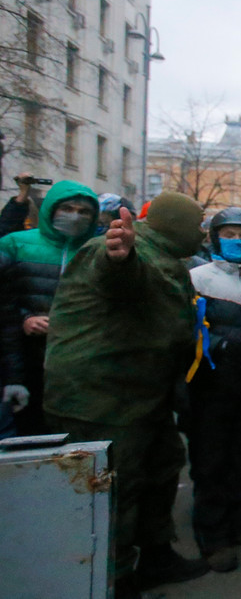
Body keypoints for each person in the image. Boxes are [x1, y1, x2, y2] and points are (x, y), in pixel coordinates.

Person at [43, 193, 210, 598]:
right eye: (197, 225)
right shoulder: (120, 250)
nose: (202, 233)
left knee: (164, 463)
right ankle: (111, 578)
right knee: (114, 488)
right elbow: (123, 277)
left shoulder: (166, 255)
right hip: (101, 400)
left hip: (141, 395)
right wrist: (120, 259)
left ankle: (155, 555)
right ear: (176, 225)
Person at [186, 207, 241, 573]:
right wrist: (219, 345)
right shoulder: (195, 278)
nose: (237, 240)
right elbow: (185, 329)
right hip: (210, 390)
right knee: (211, 464)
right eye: (230, 233)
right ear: (214, 236)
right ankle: (213, 537)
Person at [0, 180, 99, 435]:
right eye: (67, 208)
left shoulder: (96, 251)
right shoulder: (15, 244)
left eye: (84, 211)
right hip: (24, 358)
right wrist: (25, 319)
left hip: (78, 361)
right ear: (51, 209)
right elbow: (4, 299)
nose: (75, 216)